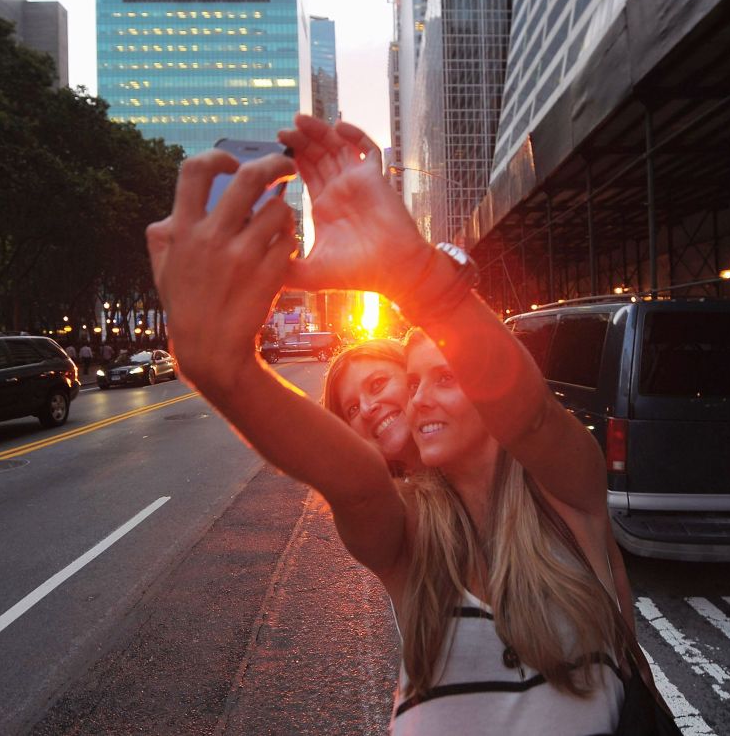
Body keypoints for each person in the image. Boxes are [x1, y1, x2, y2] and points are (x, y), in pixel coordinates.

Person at [146, 114, 657, 734]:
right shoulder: (411, 537)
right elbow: (356, 481)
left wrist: (411, 274)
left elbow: (530, 416)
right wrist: (227, 373)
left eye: (445, 377)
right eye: (412, 384)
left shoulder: (569, 495)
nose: (417, 401)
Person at [323, 339, 423, 476]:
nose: (366, 409)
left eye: (377, 384)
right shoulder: (371, 496)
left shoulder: (461, 468)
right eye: (353, 409)